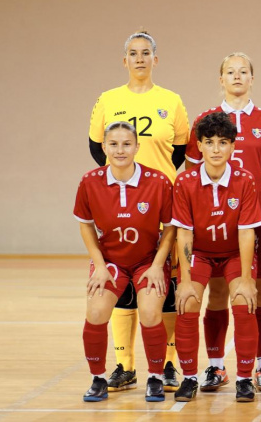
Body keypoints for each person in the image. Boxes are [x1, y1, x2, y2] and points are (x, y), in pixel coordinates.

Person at [88, 30, 189, 392]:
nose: (140, 58)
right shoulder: (108, 99)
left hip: (163, 203)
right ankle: (123, 364)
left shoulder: (172, 101)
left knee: (165, 285)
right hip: (121, 203)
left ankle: (168, 364)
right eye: (133, 53)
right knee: (122, 286)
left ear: (155, 59)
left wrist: (154, 181)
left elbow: (179, 152)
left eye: (146, 52)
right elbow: (98, 149)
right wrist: (125, 178)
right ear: (125, 60)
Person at [185, 52, 261, 393]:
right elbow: (191, 169)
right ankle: (214, 367)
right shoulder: (205, 119)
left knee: (259, 293)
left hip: (258, 220)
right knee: (216, 293)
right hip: (215, 221)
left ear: (252, 79)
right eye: (230, 71)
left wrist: (260, 190)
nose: (237, 77)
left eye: (243, 72)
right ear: (221, 79)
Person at [75, 121, 175, 402]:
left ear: (137, 147)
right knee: (95, 312)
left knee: (151, 312)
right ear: (104, 147)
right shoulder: (90, 181)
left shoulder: (157, 181)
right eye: (114, 144)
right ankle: (97, 378)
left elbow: (169, 228)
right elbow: (85, 225)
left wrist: (157, 265)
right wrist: (99, 265)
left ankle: (155, 377)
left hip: (147, 260)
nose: (120, 150)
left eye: (126, 144)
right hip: (111, 262)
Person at [171, 112, 261, 402]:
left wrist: (248, 279)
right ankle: (188, 378)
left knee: (244, 302)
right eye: (209, 142)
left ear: (233, 146)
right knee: (186, 303)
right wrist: (184, 280)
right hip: (200, 253)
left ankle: (244, 379)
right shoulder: (185, 182)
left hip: (234, 253)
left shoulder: (244, 180)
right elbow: (184, 235)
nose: (215, 149)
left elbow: (247, 233)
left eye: (222, 142)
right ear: (198, 145)